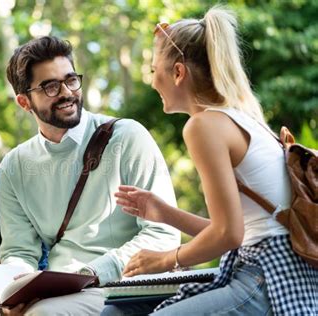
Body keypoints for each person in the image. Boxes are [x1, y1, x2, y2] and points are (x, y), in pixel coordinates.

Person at [102, 5, 317, 316]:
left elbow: (230, 235)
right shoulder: (241, 118)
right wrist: (165, 213)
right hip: (276, 269)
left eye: (153, 70)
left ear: (178, 72)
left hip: (268, 278)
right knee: (118, 311)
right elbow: (234, 229)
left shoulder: (203, 126)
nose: (152, 81)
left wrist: (164, 259)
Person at [0, 35, 180, 315]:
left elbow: (163, 234)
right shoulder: (14, 165)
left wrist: (91, 272)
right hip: (53, 287)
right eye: (50, 86)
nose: (67, 92)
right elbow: (19, 251)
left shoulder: (127, 137)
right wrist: (16, 288)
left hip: (122, 284)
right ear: (24, 102)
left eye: (71, 80)